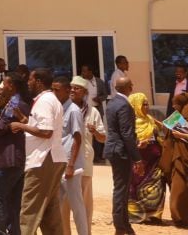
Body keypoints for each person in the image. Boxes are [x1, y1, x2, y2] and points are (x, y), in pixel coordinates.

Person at [10, 67, 66, 235]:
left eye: (31, 80)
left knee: (30, 211)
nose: (28, 82)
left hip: (42, 160)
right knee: (50, 212)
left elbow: (46, 132)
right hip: (53, 158)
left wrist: (20, 126)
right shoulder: (50, 99)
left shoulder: (44, 101)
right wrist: (24, 120)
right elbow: (42, 128)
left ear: (39, 82)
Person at [0, 73, 29, 235]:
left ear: (11, 86)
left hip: (8, 160)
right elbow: (6, 128)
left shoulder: (13, 103)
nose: (1, 87)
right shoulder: (17, 102)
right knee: (13, 201)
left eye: (4, 84)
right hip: (16, 159)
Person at [105, 76, 144, 235]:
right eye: (131, 84)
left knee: (121, 188)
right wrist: (137, 158)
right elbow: (127, 134)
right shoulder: (124, 105)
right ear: (128, 87)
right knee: (121, 190)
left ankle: (125, 226)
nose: (133, 86)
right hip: (121, 152)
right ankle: (120, 227)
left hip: (114, 149)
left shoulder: (111, 103)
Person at [52, 77, 88, 235]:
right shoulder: (59, 109)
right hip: (58, 163)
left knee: (77, 206)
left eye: (57, 90)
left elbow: (77, 138)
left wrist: (71, 165)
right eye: (52, 89)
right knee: (57, 204)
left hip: (70, 167)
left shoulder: (73, 111)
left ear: (67, 90)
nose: (54, 93)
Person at [70, 75, 107, 229]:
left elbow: (103, 138)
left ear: (84, 92)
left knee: (85, 201)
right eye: (71, 88)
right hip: (65, 161)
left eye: (76, 88)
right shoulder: (63, 108)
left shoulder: (92, 112)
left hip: (85, 161)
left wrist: (95, 132)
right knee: (64, 202)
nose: (72, 90)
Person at [127, 91, 167, 224]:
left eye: (147, 104)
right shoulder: (130, 123)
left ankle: (154, 215)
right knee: (136, 187)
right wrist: (139, 145)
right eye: (143, 104)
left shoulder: (150, 120)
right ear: (136, 105)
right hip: (140, 162)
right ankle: (135, 215)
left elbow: (160, 134)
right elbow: (128, 142)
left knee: (157, 186)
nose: (147, 107)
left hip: (155, 162)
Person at [166, 93, 188, 227]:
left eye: (176, 104)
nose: (174, 106)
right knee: (178, 188)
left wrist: (181, 134)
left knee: (180, 188)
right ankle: (179, 216)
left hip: (182, 157)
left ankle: (180, 217)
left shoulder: (184, 116)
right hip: (179, 157)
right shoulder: (177, 117)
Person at [79, 64, 108, 163]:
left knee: (98, 132)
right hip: (85, 110)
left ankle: (98, 156)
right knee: (87, 133)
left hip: (97, 109)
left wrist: (99, 99)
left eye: (85, 71)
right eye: (82, 71)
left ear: (90, 72)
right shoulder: (82, 83)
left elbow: (105, 94)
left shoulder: (99, 82)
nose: (83, 73)